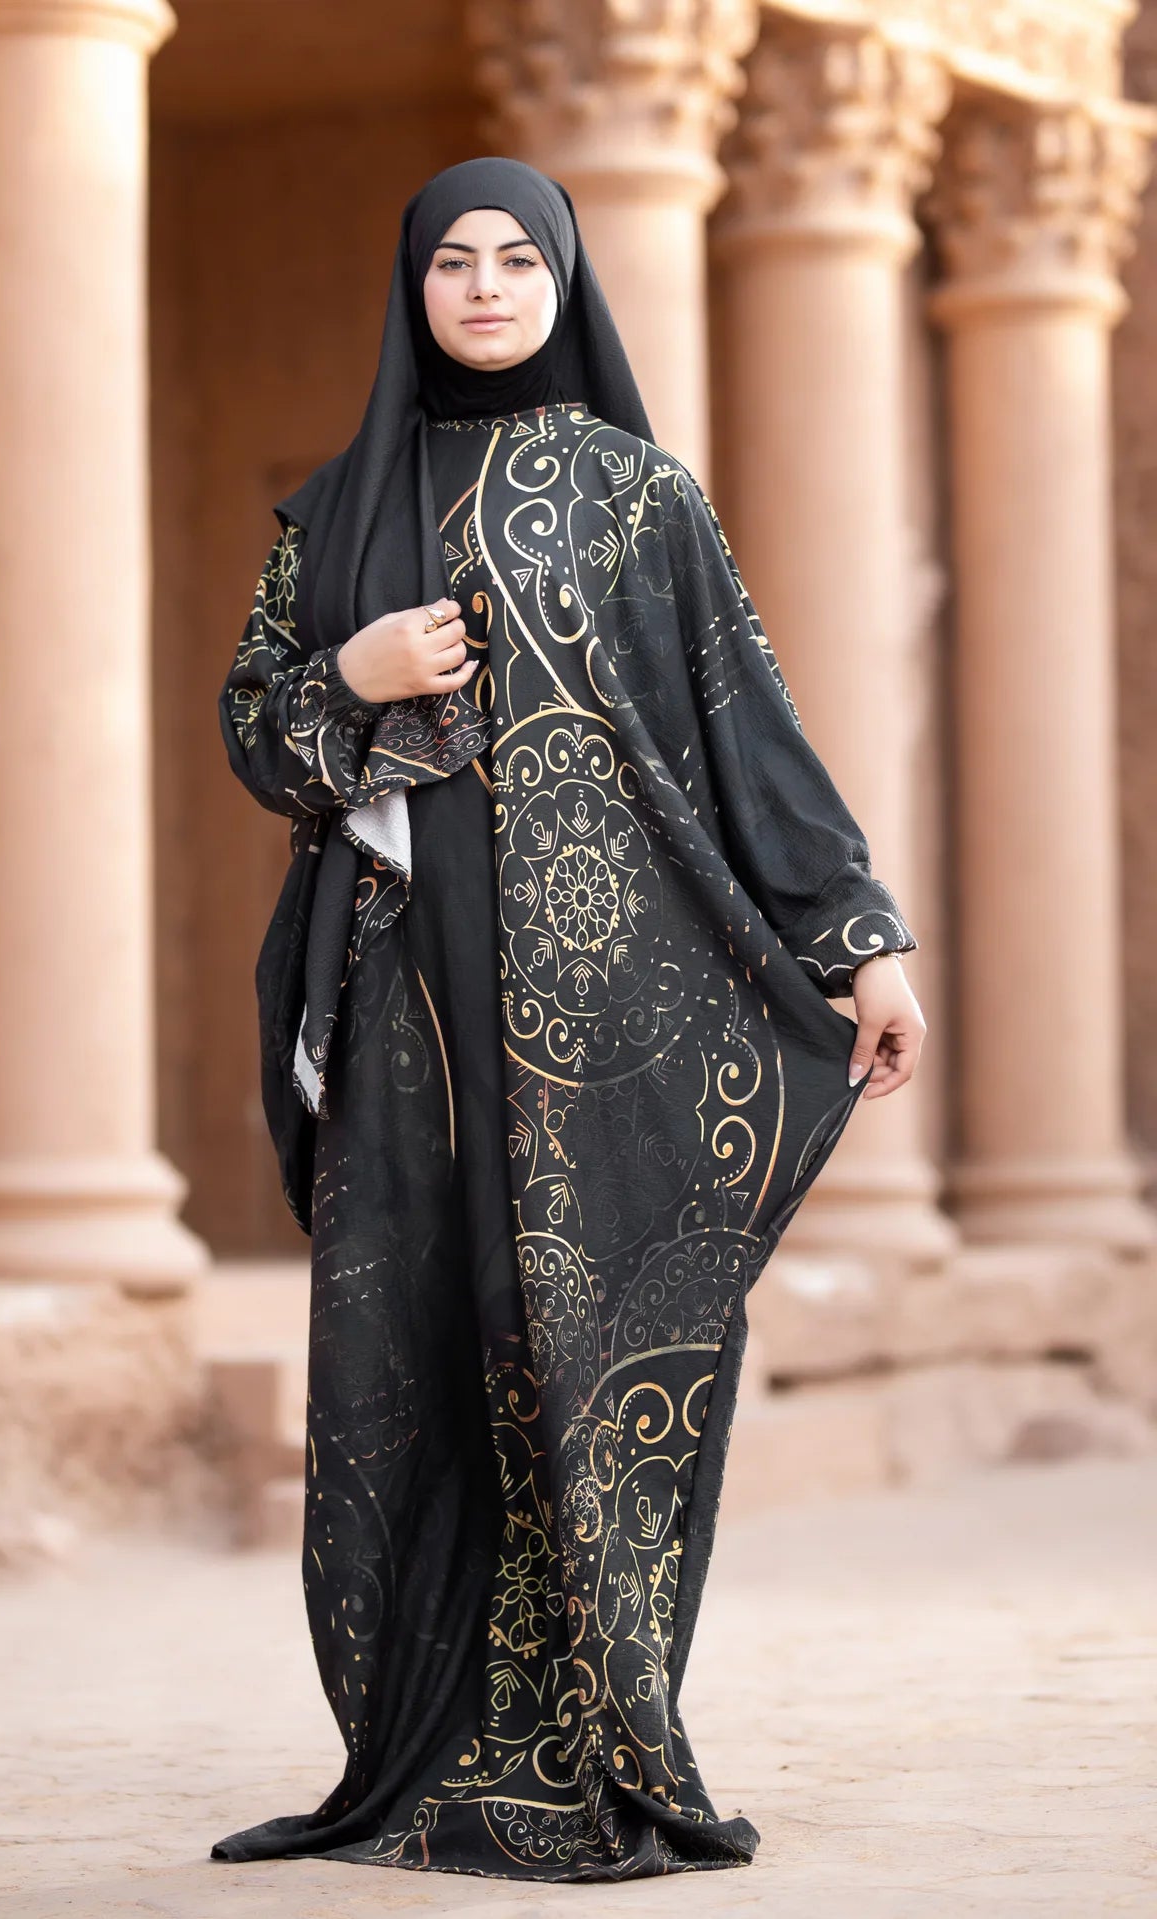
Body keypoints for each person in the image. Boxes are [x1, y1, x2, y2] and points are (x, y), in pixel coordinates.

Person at [211, 156, 926, 1881]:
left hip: (614, 1026)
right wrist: (350, 679)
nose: (480, 287)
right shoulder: (330, 517)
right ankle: (414, 1754)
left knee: (594, 1363)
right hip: (408, 1025)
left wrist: (860, 942)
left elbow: (745, 730)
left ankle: (611, 1748)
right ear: (415, 289)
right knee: (408, 1363)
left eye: (514, 259)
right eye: (449, 261)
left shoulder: (635, 500)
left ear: (562, 283)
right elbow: (252, 729)